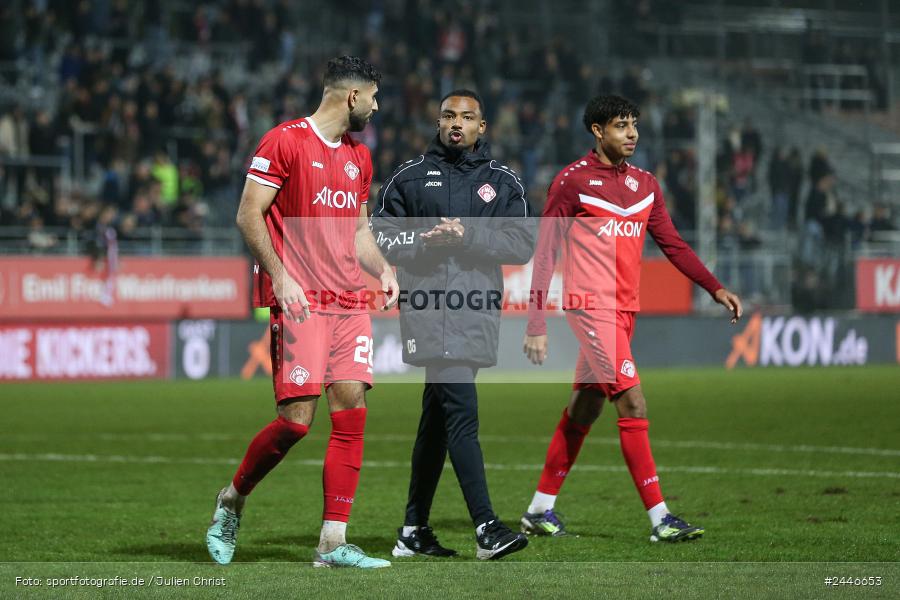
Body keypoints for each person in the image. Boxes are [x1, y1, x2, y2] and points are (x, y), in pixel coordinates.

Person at [520, 95, 742, 542]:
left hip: (624, 310)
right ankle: (661, 518)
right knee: (633, 403)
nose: (633, 133)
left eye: (634, 124)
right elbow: (544, 254)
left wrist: (714, 287)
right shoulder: (571, 182)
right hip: (590, 307)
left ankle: (539, 509)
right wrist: (536, 323)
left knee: (585, 406)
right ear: (598, 131)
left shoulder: (646, 185)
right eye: (622, 125)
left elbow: (673, 244)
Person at [206, 56, 399, 569]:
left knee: (352, 411)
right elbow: (249, 214)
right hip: (301, 302)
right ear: (352, 97)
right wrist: (281, 275)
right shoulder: (284, 141)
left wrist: (384, 268)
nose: (378, 107)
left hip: (349, 302)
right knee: (295, 423)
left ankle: (332, 544)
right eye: (374, 97)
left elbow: (360, 232)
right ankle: (232, 499)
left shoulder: (360, 157)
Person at [371, 89, 535, 560]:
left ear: (483, 127)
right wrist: (426, 240)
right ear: (438, 121)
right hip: (429, 311)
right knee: (461, 414)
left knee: (437, 424)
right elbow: (381, 235)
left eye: (466, 117)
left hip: (476, 311)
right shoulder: (410, 176)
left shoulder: (503, 182)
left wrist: (467, 235)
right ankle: (486, 527)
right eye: (448, 115)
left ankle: (412, 530)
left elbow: (521, 243)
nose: (456, 123)